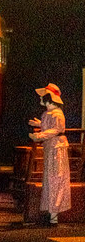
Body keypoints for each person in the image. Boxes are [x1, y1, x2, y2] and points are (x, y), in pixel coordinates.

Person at [28, 83, 71, 225]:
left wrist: (40, 135)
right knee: (51, 179)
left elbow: (56, 130)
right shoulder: (50, 113)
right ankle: (51, 213)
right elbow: (52, 127)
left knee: (56, 179)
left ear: (49, 98)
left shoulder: (57, 114)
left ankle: (54, 215)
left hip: (56, 149)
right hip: (51, 148)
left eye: (43, 96)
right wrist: (40, 125)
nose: (40, 98)